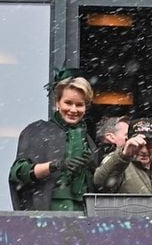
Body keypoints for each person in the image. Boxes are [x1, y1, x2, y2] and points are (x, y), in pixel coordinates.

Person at [9, 73, 98, 212]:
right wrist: (55, 165)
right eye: (68, 103)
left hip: (84, 215)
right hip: (47, 215)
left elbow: (100, 186)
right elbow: (18, 173)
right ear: (57, 102)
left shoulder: (88, 140)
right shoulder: (38, 131)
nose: (73, 110)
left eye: (79, 105)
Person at [93, 118, 152, 195]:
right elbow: (100, 183)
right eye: (138, 145)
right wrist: (123, 156)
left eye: (150, 144)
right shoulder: (119, 163)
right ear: (128, 142)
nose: (144, 151)